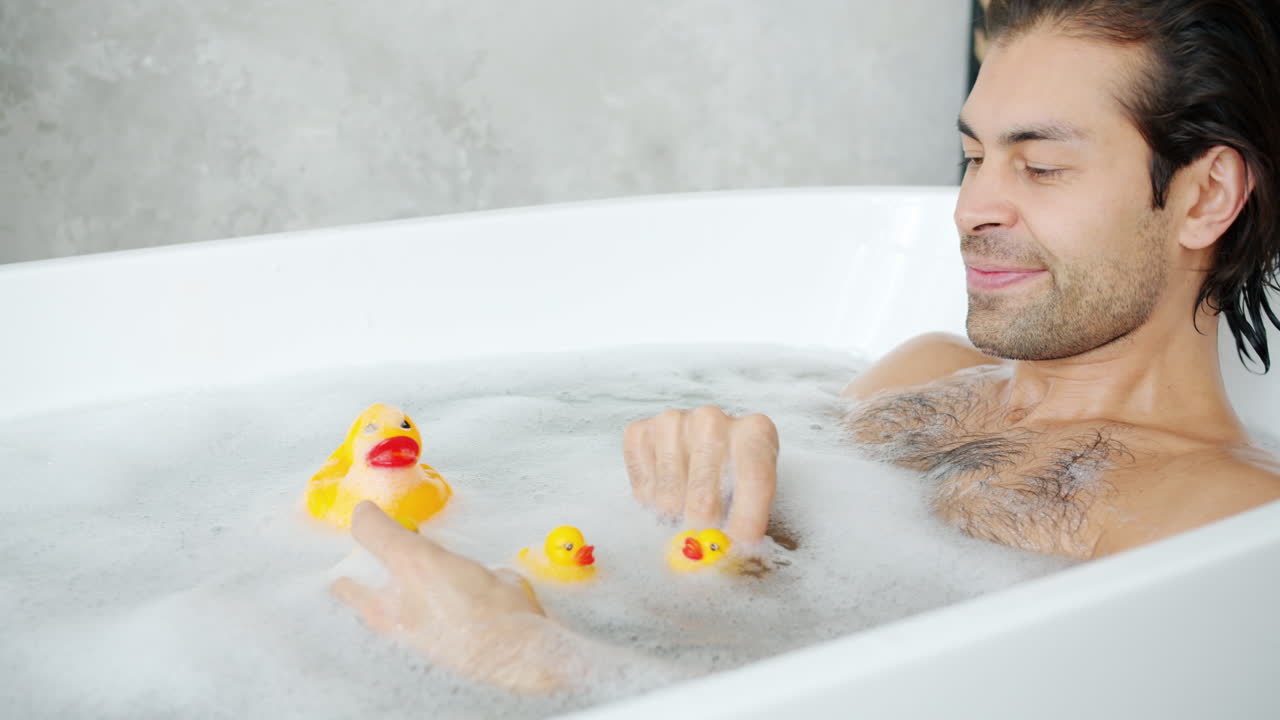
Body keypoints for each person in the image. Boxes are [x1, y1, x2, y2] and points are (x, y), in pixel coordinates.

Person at [333, 0, 1280, 692]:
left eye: (1039, 166)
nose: (970, 209)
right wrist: (718, 503)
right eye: (973, 157)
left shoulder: (1229, 523)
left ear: (1203, 197)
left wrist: (539, 660)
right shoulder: (924, 370)